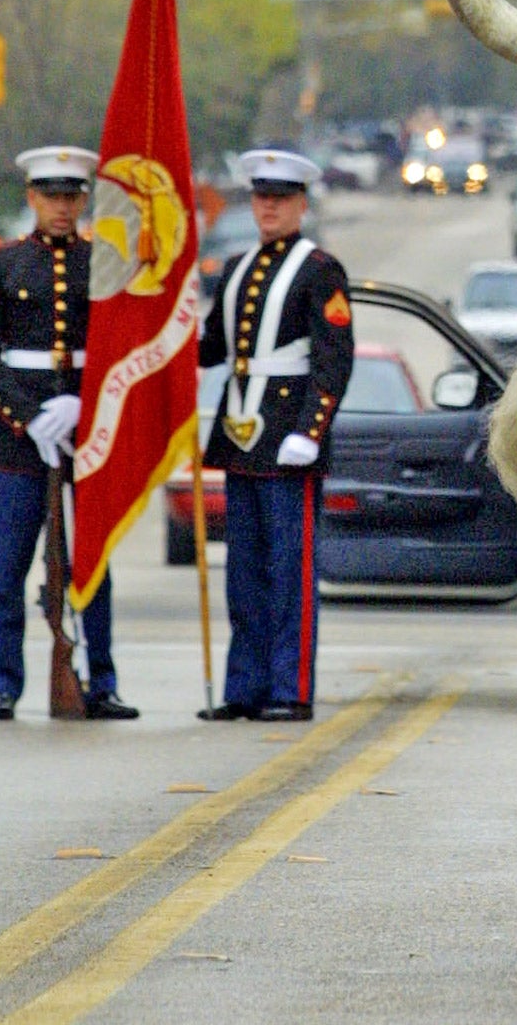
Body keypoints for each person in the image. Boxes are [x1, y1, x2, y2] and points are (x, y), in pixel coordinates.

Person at [0, 148, 138, 720]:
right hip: (20, 437)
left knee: (92, 564)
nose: (62, 207)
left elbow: (120, 351)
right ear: (32, 198)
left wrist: (82, 405)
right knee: (8, 565)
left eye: (72, 197)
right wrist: (29, 415)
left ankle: (100, 679)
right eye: (51, 196)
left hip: (86, 431)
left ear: (84, 199)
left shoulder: (104, 264)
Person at [196, 150, 354, 721]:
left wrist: (311, 431)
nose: (268, 207)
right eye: (261, 197)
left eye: (280, 199)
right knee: (244, 576)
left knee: (289, 576)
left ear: (300, 205)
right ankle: (245, 687)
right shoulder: (237, 266)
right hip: (241, 441)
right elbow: (214, 348)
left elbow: (333, 360)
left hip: (289, 440)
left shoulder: (319, 270)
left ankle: (290, 689)